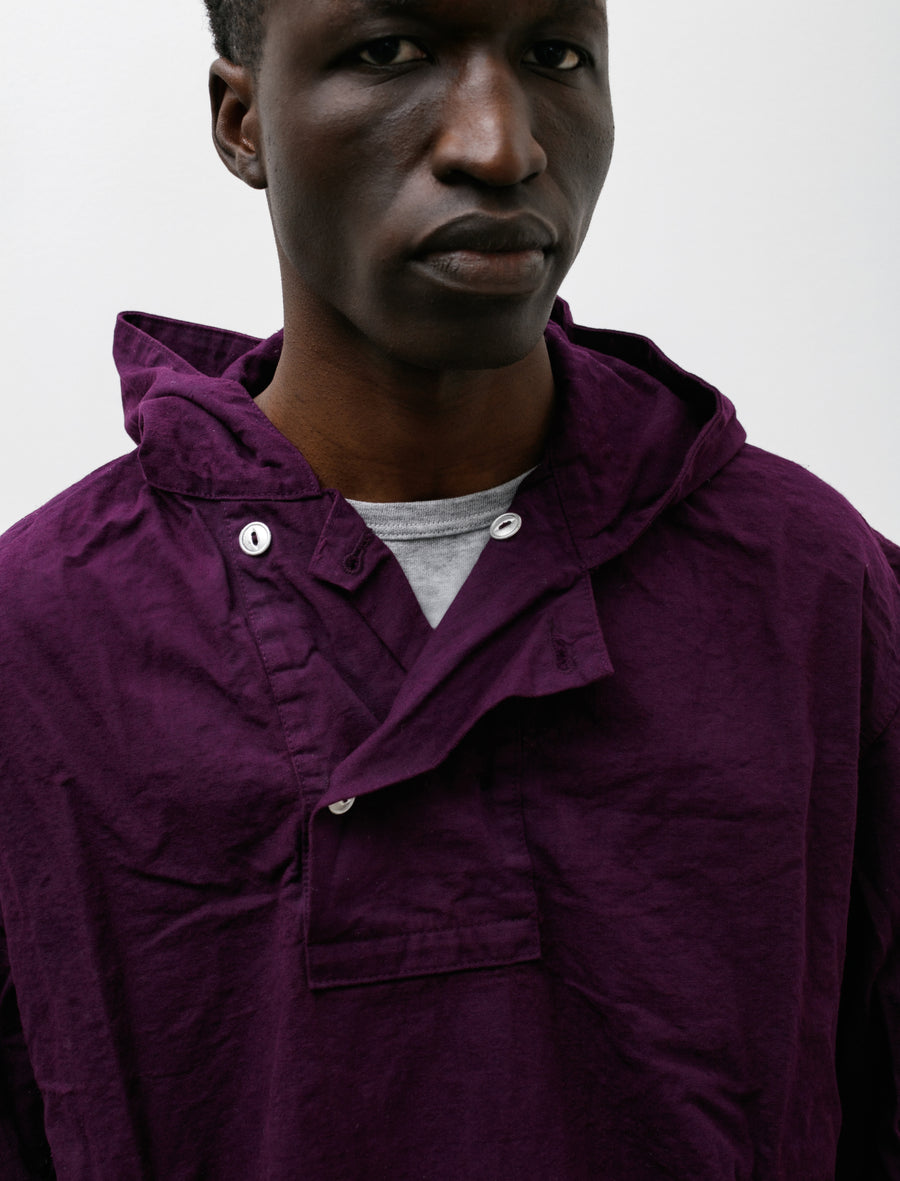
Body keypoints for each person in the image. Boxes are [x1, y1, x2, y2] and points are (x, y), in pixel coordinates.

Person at [1, 0, 897, 1176]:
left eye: (556, 56)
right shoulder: (38, 639)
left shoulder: (815, 588)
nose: (500, 145)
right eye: (389, 53)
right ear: (241, 120)